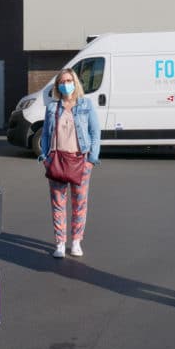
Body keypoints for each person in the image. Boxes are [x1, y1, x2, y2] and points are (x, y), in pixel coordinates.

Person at [38, 68, 101, 259]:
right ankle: (59, 242)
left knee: (79, 204)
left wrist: (91, 159)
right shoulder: (52, 108)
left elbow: (95, 132)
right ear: (58, 86)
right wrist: (45, 157)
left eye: (69, 80)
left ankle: (76, 242)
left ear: (75, 82)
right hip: (57, 160)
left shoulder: (86, 105)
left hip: (80, 160)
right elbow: (46, 134)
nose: (66, 84)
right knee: (58, 204)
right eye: (62, 82)